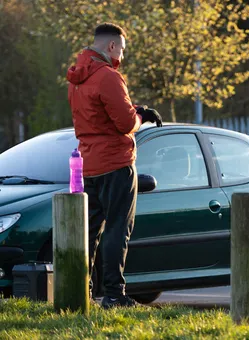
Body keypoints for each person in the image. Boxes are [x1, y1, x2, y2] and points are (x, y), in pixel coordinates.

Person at [66, 22, 163, 309]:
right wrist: (140, 116)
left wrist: (135, 111)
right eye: (121, 48)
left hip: (88, 165)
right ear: (111, 46)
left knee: (90, 231)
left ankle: (80, 291)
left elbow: (96, 118)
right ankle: (114, 294)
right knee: (118, 228)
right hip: (116, 164)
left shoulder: (76, 79)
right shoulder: (108, 77)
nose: (121, 54)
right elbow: (123, 123)